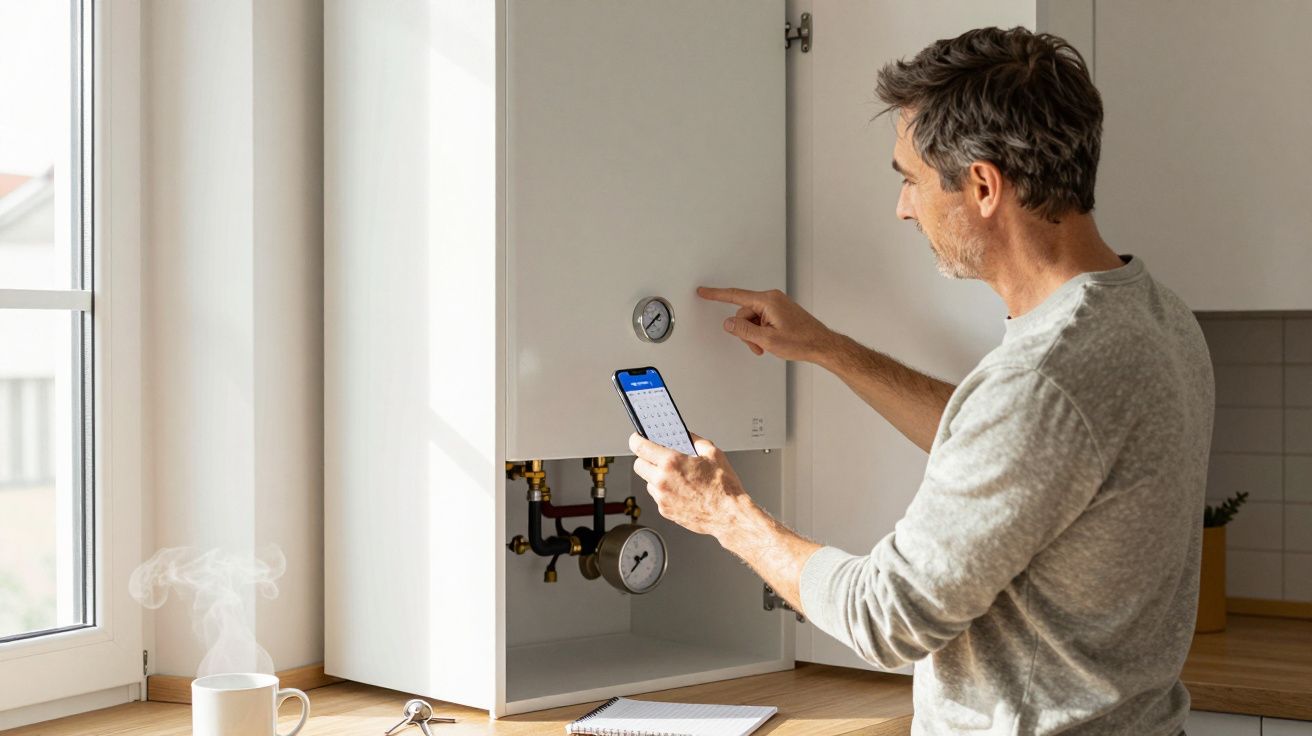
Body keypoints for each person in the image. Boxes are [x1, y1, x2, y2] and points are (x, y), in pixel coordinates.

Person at [628, 26, 1214, 735]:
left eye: (909, 179)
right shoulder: (1154, 315)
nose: (903, 207)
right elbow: (1020, 460)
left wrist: (727, 516)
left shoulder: (1043, 382)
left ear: (983, 185)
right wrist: (829, 349)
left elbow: (887, 617)